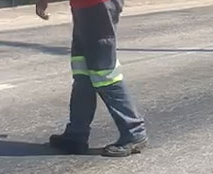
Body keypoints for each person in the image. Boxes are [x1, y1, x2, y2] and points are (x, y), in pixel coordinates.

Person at [36, 0, 148, 157]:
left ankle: (134, 132)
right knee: (83, 74)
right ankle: (76, 134)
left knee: (104, 73)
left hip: (97, 6)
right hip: (85, 6)